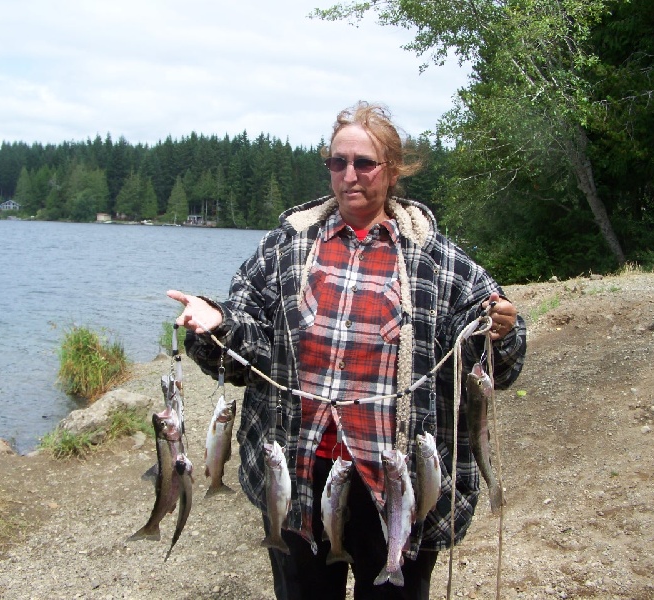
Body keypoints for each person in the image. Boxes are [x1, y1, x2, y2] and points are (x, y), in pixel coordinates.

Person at [168, 101, 526, 600]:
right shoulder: (286, 248)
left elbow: (496, 364)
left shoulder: (439, 261)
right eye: (338, 162)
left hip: (399, 483)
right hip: (298, 474)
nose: (349, 175)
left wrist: (501, 330)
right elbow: (245, 343)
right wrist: (217, 323)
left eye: (364, 163)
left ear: (393, 172)